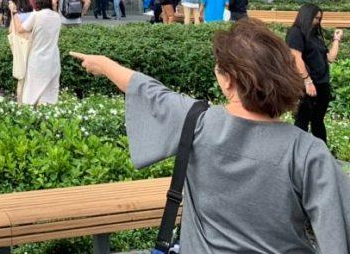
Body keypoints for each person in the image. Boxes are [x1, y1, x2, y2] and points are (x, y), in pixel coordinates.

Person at [71, 20, 350, 253]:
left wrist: (104, 65)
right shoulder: (306, 152)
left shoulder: (196, 123)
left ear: (228, 79)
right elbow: (338, 235)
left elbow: (149, 91)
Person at [288, 4, 343, 144]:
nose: (317, 22)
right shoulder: (296, 32)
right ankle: (297, 156)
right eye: (315, 18)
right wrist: (307, 81)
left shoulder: (314, 35)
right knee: (302, 121)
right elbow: (295, 57)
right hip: (307, 85)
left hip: (322, 84)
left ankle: (322, 154)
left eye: (319, 18)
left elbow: (330, 58)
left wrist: (337, 39)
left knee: (318, 121)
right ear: (306, 16)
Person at [9, 0, 62, 105]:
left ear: (37, 0)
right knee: (48, 95)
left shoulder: (36, 15)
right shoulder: (56, 17)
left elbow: (20, 29)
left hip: (37, 59)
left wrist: (14, 12)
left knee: (32, 93)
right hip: (53, 59)